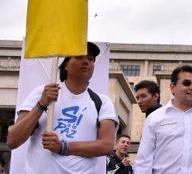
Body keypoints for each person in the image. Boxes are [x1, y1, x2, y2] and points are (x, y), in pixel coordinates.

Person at [7, 42, 118, 174]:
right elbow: (13, 140)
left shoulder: (102, 102)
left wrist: (63, 147)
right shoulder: (42, 93)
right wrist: (41, 104)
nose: (86, 62)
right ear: (65, 64)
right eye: (79, 57)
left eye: (90, 59)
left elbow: (106, 145)